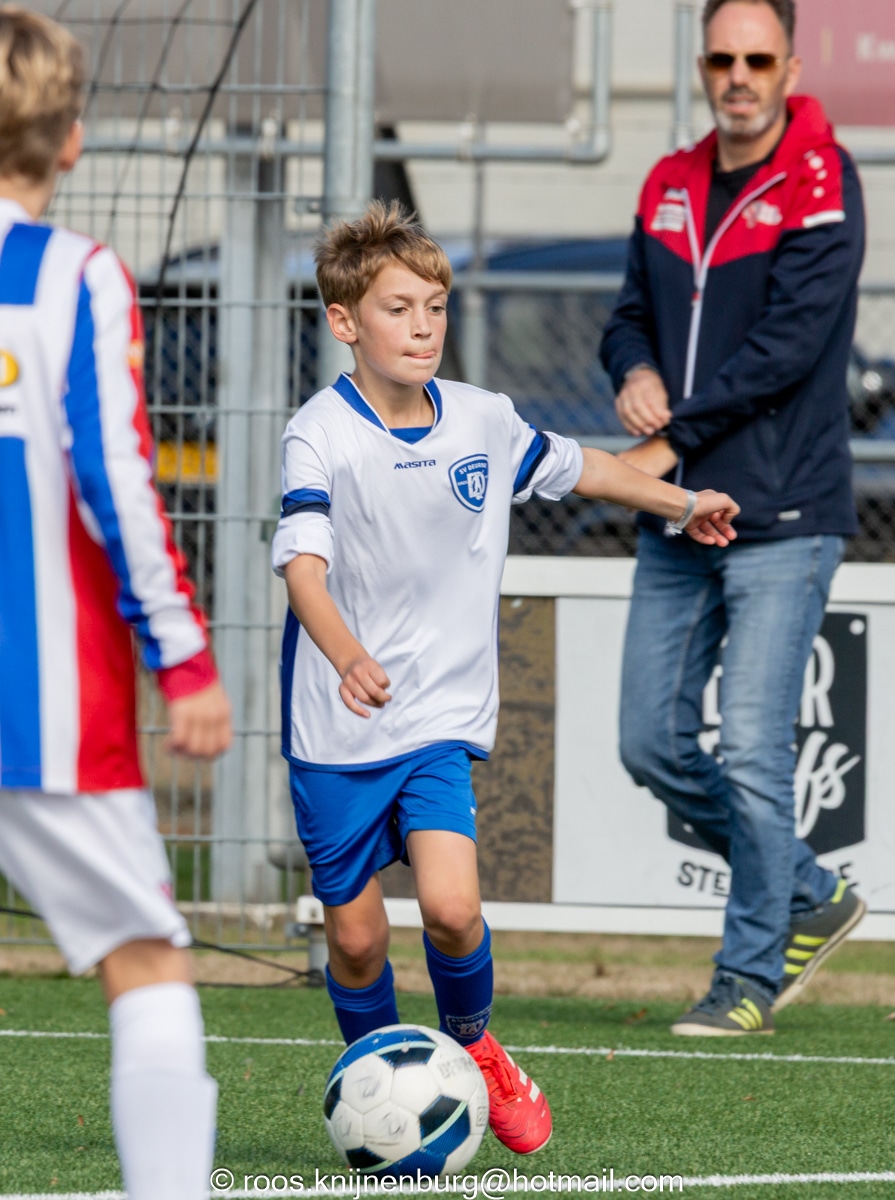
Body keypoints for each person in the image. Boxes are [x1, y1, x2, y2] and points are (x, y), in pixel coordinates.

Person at [271, 198, 738, 1152]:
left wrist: (680, 501)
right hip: (337, 726)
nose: (423, 328)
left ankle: (475, 1046)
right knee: (356, 940)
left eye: (435, 307)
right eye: (398, 309)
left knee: (452, 910)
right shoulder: (317, 433)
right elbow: (303, 570)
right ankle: (381, 1080)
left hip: (437, 719)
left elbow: (584, 468)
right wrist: (347, 654)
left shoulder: (483, 418)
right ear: (345, 322)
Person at [0, 7, 232, 1197]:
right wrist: (183, 656)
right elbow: (117, 484)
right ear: (73, 138)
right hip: (39, 701)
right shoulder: (74, 277)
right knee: (145, 961)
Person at [600, 0, 866, 1037]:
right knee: (647, 742)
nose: (739, 75)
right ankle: (805, 887)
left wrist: (672, 441)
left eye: (759, 58)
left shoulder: (821, 179)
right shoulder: (667, 181)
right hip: (677, 515)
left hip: (782, 512)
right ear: (702, 66)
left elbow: (787, 349)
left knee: (754, 751)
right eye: (722, 58)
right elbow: (628, 312)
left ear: (790, 68)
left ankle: (747, 977)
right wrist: (632, 370)